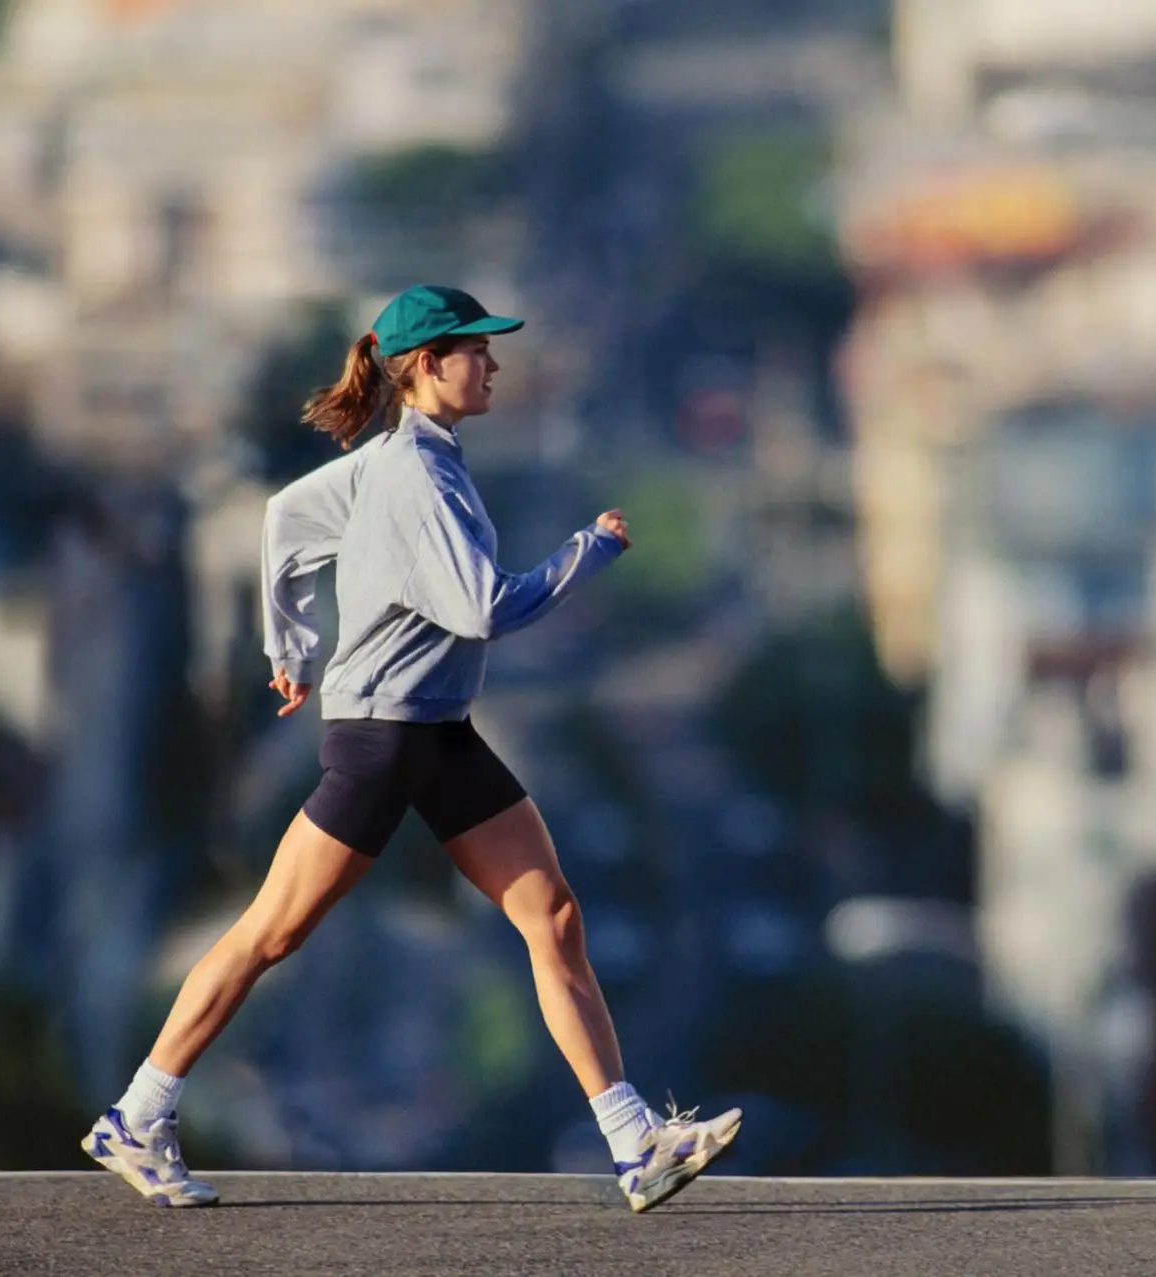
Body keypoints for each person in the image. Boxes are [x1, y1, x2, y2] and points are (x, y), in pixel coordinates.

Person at [82, 285, 740, 1212]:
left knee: (552, 918)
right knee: (271, 931)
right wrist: (586, 551)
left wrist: (292, 650)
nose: (495, 364)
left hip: (440, 732)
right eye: (478, 349)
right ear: (428, 365)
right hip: (386, 741)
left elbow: (283, 518)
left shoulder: (401, 460)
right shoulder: (414, 477)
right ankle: (137, 1115)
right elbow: (483, 607)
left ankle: (637, 1144)